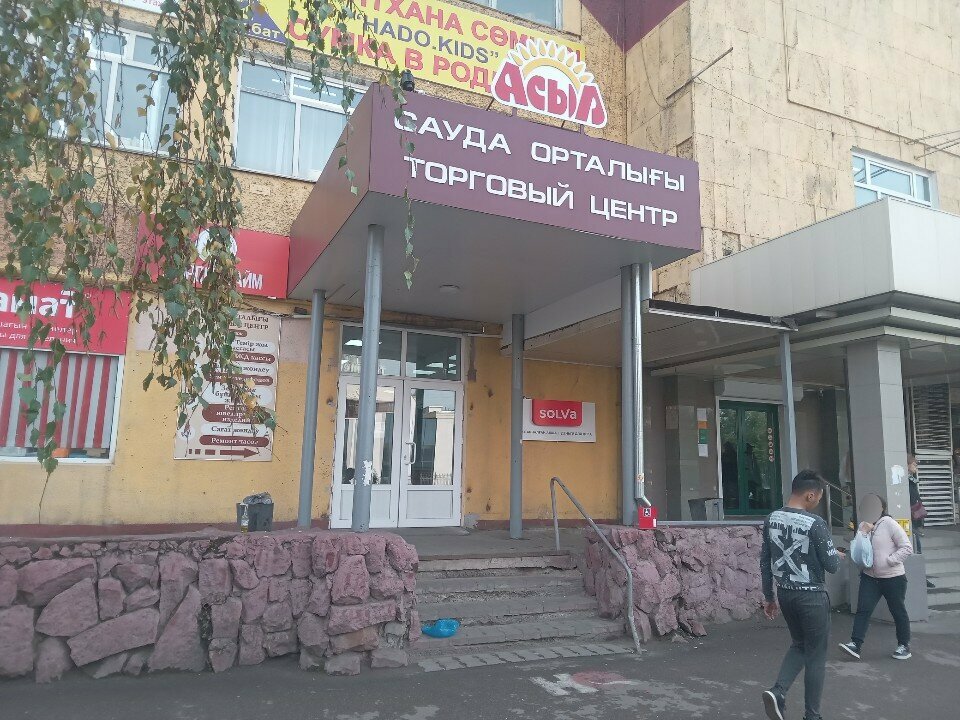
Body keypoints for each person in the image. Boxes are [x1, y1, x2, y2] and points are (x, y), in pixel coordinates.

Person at [760, 470, 843, 720]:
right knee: (816, 656)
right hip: (812, 597)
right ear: (810, 495)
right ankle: (812, 715)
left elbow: (765, 561)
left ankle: (778, 691)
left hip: (785, 594)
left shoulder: (771, 518)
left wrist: (769, 596)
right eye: (818, 497)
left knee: (799, 645)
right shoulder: (815, 523)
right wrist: (835, 554)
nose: (817, 502)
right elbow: (831, 565)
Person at [839, 494, 914, 661]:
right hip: (870, 577)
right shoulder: (863, 525)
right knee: (863, 610)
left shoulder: (889, 523)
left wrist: (890, 561)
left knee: (898, 611)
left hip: (893, 577)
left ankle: (903, 645)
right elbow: (860, 548)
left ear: (882, 508)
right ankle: (855, 644)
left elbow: (906, 547)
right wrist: (863, 533)